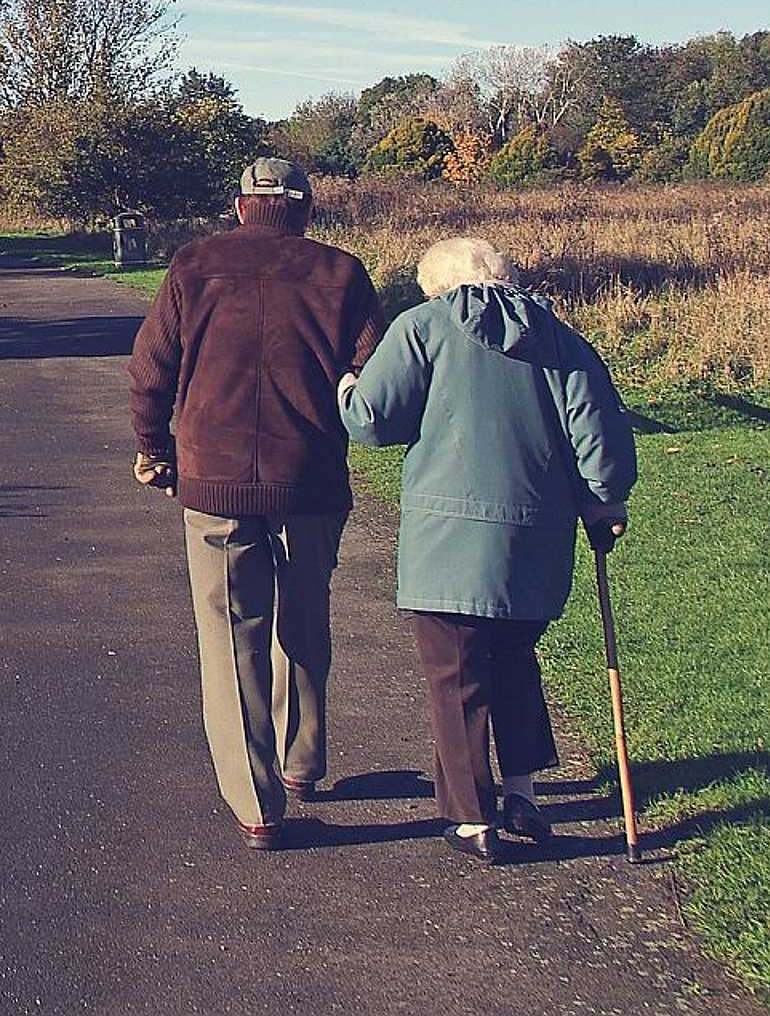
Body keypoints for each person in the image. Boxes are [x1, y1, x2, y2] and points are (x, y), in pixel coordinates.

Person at [338, 237, 636, 863]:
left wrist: (346, 387)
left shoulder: (422, 327)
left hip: (446, 542)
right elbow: (600, 442)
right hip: (537, 539)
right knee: (513, 659)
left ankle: (473, 818)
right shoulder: (561, 338)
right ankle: (523, 793)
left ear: (437, 288)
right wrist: (605, 502)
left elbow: (372, 421)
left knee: (455, 674)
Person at [129, 158, 384, 850]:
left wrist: (154, 448)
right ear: (305, 208)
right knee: (305, 619)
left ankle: (257, 804)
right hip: (311, 478)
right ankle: (302, 762)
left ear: (241, 206)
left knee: (230, 637)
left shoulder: (193, 265)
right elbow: (373, 372)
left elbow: (151, 367)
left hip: (213, 478)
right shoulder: (341, 272)